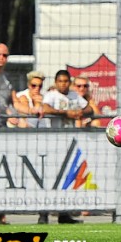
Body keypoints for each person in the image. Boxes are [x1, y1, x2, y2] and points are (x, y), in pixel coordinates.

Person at [0, 43, 31, 225]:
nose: (1, 58)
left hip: (1, 131)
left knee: (1, 173)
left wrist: (31, 110)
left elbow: (14, 102)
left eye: (5, 55)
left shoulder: (6, 78)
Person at [39, 70, 94, 224]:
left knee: (66, 180)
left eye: (65, 81)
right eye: (60, 81)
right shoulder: (52, 95)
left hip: (70, 144)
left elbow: (90, 109)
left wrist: (80, 112)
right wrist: (65, 113)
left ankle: (64, 215)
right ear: (56, 83)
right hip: (54, 141)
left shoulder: (74, 95)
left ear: (69, 82)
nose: (63, 84)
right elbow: (45, 108)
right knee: (49, 179)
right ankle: (43, 215)